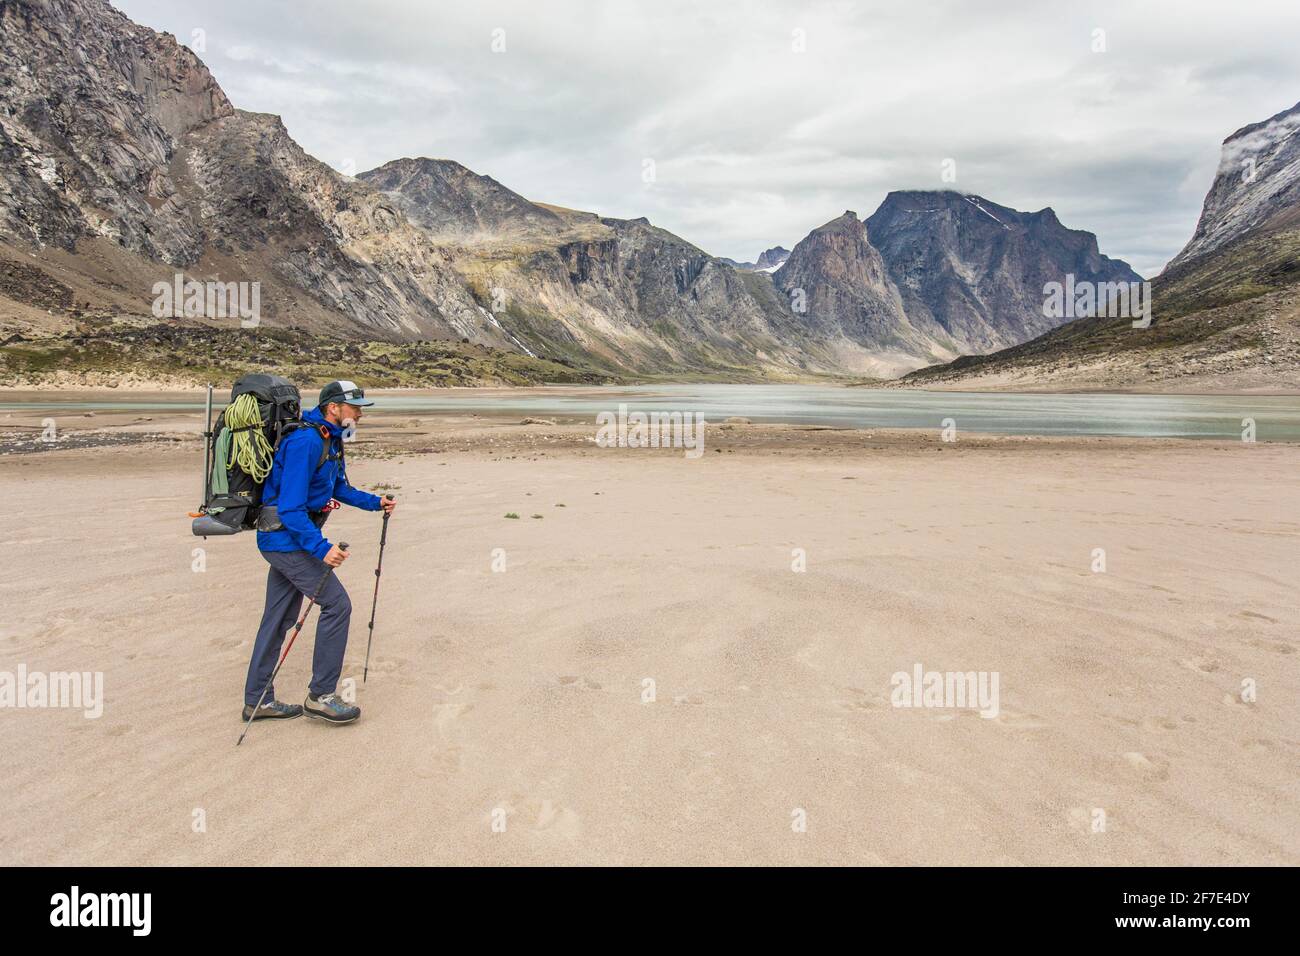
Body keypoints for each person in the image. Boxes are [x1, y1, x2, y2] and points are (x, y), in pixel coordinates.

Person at [242, 380, 396, 725]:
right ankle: (321, 697)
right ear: (333, 408)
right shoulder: (305, 442)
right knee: (337, 604)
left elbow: (338, 486)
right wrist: (322, 548)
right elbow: (291, 508)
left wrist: (375, 503)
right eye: (354, 408)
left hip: (288, 539)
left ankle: (257, 701)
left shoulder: (331, 438)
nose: (359, 414)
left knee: (278, 619)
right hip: (285, 540)